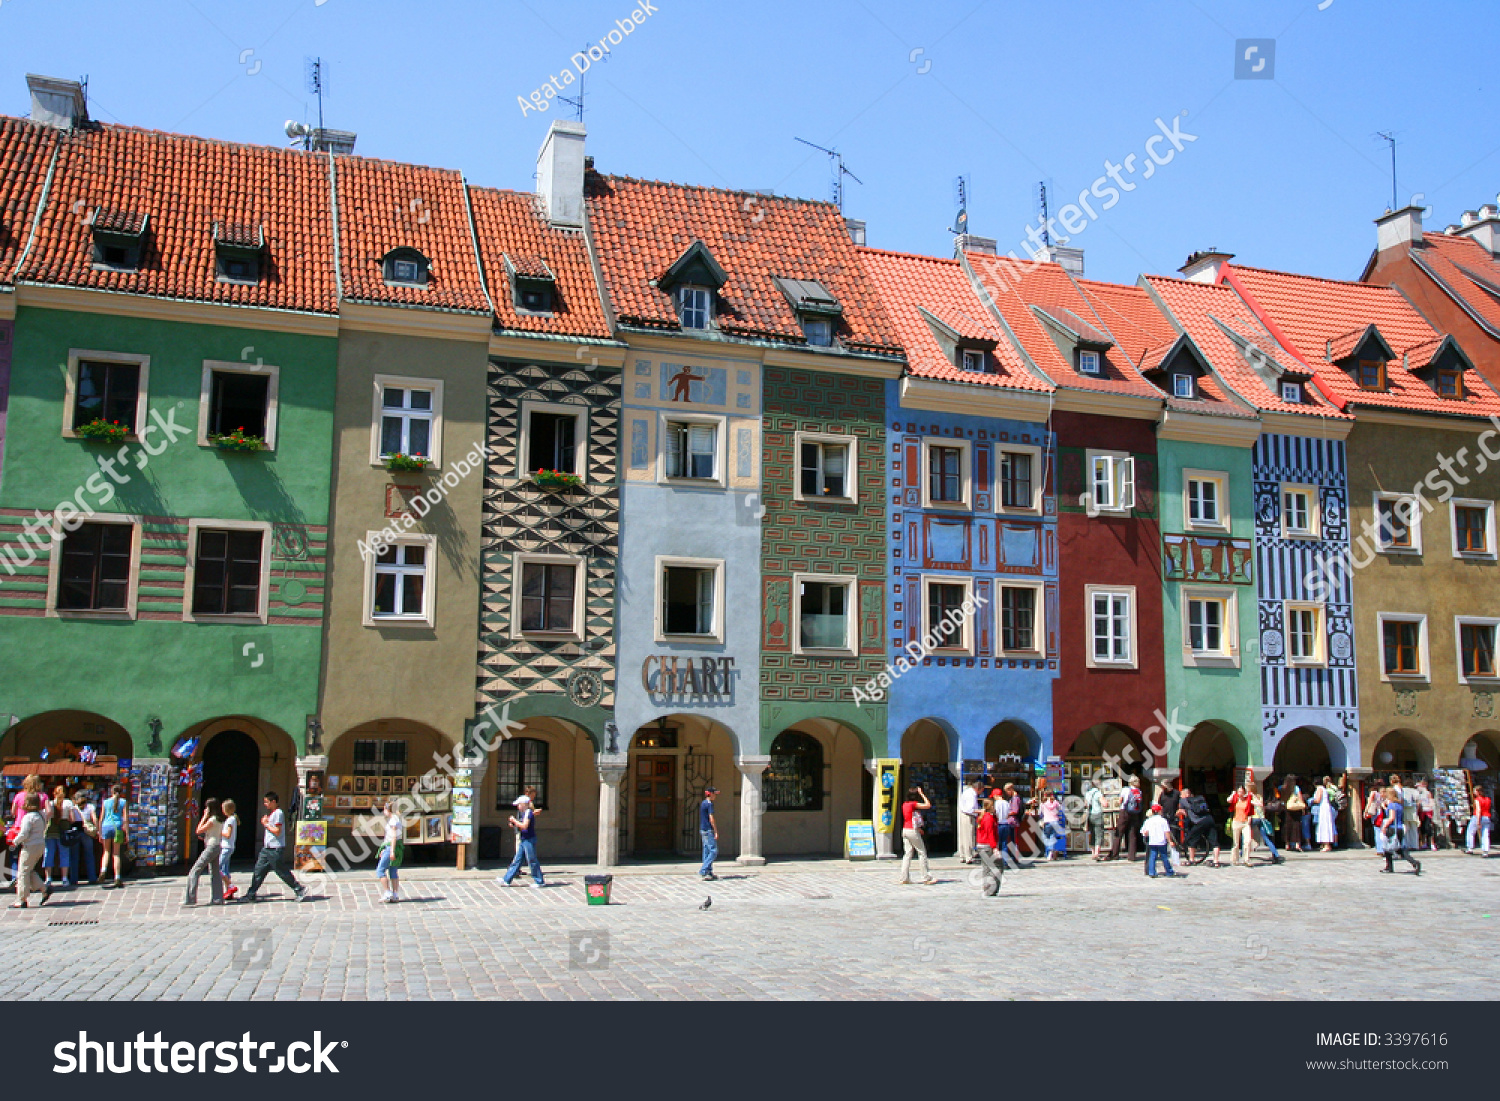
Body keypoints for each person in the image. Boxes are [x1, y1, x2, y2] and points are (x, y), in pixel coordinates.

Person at [242, 791, 307, 903]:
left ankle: (299, 889)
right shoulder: (272, 813)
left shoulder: (278, 813)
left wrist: (266, 824)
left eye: (266, 802)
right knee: (259, 871)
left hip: (275, 849)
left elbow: (277, 831)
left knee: (282, 871)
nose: (265, 804)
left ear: (273, 802)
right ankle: (251, 894)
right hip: (267, 849)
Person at [499, 789, 545, 888]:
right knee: (517, 860)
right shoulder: (524, 813)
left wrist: (514, 821)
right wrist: (514, 824)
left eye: (519, 804)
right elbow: (521, 824)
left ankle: (539, 881)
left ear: (524, 804)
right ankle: (506, 879)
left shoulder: (528, 812)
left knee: (532, 860)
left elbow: (524, 826)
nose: (518, 807)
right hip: (524, 839)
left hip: (529, 839)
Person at [183, 798, 224, 906]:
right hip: (216, 845)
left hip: (211, 847)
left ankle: (190, 898)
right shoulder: (220, 819)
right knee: (215, 873)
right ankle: (218, 898)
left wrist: (204, 816)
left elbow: (198, 830)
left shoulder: (212, 820)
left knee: (195, 870)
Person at [9, 793, 47, 908]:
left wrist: (15, 841)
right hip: (40, 844)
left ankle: (22, 899)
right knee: (29, 869)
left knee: (23, 872)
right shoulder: (41, 815)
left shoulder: (28, 817)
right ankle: (44, 888)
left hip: (29, 846)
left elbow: (24, 834)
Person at [896, 785, 935, 885]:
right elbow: (928, 805)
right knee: (921, 852)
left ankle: (904, 877)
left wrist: (918, 828)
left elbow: (911, 818)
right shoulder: (913, 804)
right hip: (912, 830)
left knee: (907, 854)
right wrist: (922, 793)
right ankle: (926, 877)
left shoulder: (905, 804)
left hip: (905, 829)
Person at [1379, 786, 1421, 876]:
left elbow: (1391, 817)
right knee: (1398, 848)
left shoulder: (1392, 805)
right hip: (1400, 828)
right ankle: (1413, 862)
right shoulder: (1398, 805)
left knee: (1387, 848)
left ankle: (1389, 867)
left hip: (1392, 828)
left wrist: (1384, 827)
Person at [1180, 784, 1221, 867]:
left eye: (1181, 795)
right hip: (1209, 819)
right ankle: (1216, 861)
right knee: (1214, 841)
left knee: (1191, 839)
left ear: (1184, 794)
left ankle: (1191, 860)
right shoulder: (1199, 799)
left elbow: (1182, 812)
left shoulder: (1183, 800)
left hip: (1200, 822)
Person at [98, 783, 129, 889]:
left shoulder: (106, 802)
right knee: (116, 854)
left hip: (106, 827)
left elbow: (101, 818)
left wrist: (100, 831)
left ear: (111, 792)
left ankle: (103, 871)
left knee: (106, 852)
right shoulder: (123, 802)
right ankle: (117, 877)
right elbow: (125, 819)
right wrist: (127, 834)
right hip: (117, 827)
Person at [1106, 775, 1143, 862]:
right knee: (1132, 834)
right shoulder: (1139, 791)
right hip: (1134, 813)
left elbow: (1120, 800)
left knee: (1119, 833)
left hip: (1125, 812)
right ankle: (1132, 856)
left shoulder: (1125, 789)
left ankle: (1115, 854)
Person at [376, 799, 404, 903]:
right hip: (394, 847)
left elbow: (393, 837)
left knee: (380, 870)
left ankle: (387, 892)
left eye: (384, 808)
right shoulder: (397, 819)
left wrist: (391, 851)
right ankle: (395, 894)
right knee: (393, 870)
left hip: (392, 847)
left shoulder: (393, 820)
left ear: (388, 810)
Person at [974, 797, 1003, 895]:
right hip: (987, 846)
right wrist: (994, 847)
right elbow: (990, 833)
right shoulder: (988, 818)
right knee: (998, 867)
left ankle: (987, 889)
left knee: (986, 868)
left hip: (981, 845)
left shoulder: (983, 816)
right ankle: (991, 889)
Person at [1140, 803, 1177, 878]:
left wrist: (1146, 834)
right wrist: (1170, 841)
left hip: (1152, 841)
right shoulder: (1163, 820)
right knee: (1164, 857)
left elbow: (1143, 831)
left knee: (1152, 857)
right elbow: (1166, 832)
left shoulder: (1148, 821)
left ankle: (1152, 872)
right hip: (1161, 841)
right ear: (1159, 811)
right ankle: (1169, 871)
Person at [70, 790, 98, 886]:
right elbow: (94, 819)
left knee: (74, 856)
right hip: (87, 832)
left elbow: (71, 820)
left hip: (76, 832)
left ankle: (74, 879)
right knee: (89, 855)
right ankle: (92, 877)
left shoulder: (74, 808)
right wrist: (97, 829)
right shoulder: (90, 807)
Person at [1228, 780, 1256, 867]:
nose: (1240, 793)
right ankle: (1235, 859)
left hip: (1245, 822)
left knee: (1247, 841)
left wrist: (1253, 795)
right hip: (1236, 822)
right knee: (1236, 843)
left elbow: (1258, 804)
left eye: (1242, 791)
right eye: (1239, 791)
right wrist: (1233, 794)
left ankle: (1246, 859)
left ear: (1244, 792)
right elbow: (1228, 800)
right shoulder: (1235, 799)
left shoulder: (1248, 800)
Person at [957, 779, 981, 864]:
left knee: (963, 836)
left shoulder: (967, 792)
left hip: (963, 814)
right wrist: (980, 811)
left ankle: (962, 855)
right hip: (968, 816)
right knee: (968, 836)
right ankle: (968, 856)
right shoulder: (972, 795)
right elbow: (970, 809)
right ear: (978, 789)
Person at [220, 799, 239, 900]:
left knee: (218, 868)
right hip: (226, 846)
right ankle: (228, 891)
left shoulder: (231, 820)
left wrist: (219, 832)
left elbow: (228, 834)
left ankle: (230, 886)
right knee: (225, 869)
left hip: (227, 847)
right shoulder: (230, 819)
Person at [699, 786, 719, 881]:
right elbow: (711, 818)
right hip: (708, 830)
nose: (715, 796)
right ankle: (703, 870)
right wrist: (715, 831)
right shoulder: (709, 804)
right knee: (713, 851)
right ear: (710, 794)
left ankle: (708, 872)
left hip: (703, 829)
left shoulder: (703, 803)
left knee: (706, 851)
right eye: (714, 794)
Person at [1311, 776, 1337, 852]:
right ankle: (1324, 844)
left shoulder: (1319, 789)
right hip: (1325, 807)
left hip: (1323, 808)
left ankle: (1327, 844)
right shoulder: (1324, 789)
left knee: (1324, 825)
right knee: (1324, 825)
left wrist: (1311, 801)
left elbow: (1318, 799)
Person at [1039, 791, 1067, 861]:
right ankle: (1051, 852)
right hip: (1055, 821)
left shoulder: (1043, 804)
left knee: (1046, 837)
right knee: (1052, 837)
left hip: (1047, 821)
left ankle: (1048, 852)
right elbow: (1061, 809)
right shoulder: (1056, 803)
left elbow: (1041, 813)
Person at [1084, 779, 1106, 861]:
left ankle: (1093, 852)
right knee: (1099, 834)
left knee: (1092, 833)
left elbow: (1085, 804)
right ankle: (1097, 853)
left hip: (1090, 815)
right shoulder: (1098, 793)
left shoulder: (1087, 793)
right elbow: (1105, 804)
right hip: (1097, 814)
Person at [1283, 776, 1306, 852]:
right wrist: (1302, 807)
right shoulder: (1296, 788)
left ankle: (1287, 844)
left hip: (1287, 809)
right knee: (1296, 826)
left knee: (1287, 826)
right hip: (1295, 810)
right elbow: (1300, 798)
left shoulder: (1283, 787)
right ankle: (1297, 844)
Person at [1467, 786, 1492, 855]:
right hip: (1487, 817)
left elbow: (1478, 810)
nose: (1474, 792)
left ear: (1478, 792)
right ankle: (1485, 850)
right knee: (1486, 834)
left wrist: (1478, 821)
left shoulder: (1477, 799)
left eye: (1475, 791)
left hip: (1478, 817)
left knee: (1470, 831)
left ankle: (1470, 848)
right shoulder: (1488, 799)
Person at [1415, 780, 1437, 851]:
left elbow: (1431, 802)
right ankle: (1424, 843)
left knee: (1428, 828)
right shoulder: (1418, 794)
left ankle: (1432, 843)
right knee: (1422, 828)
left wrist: (1428, 806)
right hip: (1421, 812)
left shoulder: (1428, 793)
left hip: (1427, 811)